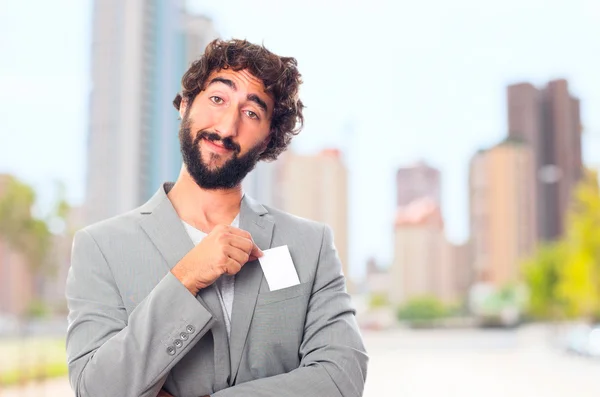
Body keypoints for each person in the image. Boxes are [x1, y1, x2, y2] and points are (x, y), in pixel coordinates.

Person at [66, 38, 368, 397]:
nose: (226, 128)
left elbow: (341, 377)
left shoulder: (311, 245)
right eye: (217, 99)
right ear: (186, 104)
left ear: (268, 137)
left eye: (252, 113)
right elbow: (97, 389)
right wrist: (186, 276)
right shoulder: (101, 248)